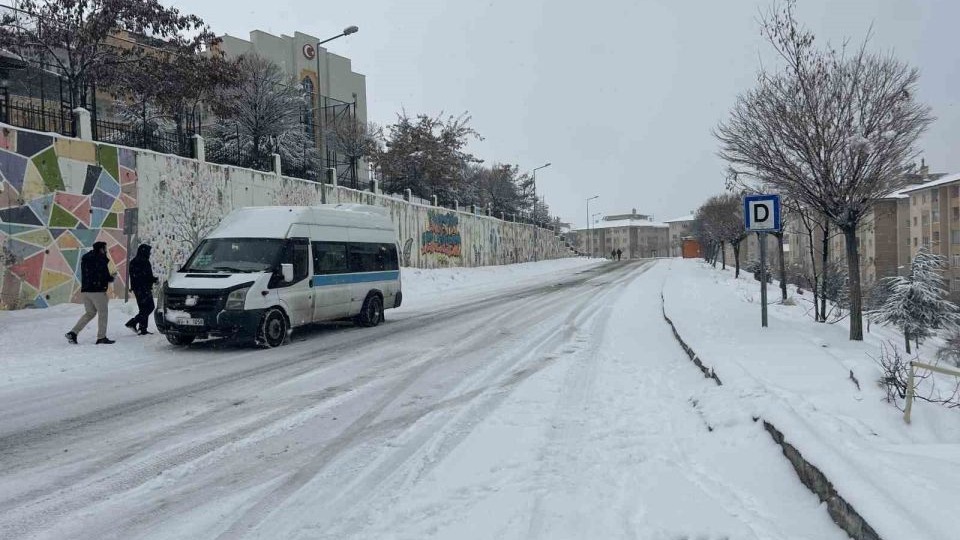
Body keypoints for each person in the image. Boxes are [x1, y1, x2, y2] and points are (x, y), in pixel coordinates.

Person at [66, 241, 115, 345]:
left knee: (90, 313)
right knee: (103, 313)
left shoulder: (86, 258)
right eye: (105, 248)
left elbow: (91, 274)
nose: (106, 250)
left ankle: (73, 332)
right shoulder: (100, 259)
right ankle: (101, 337)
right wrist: (111, 278)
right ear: (101, 249)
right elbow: (103, 275)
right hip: (97, 291)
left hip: (86, 290)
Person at [125, 243, 159, 335]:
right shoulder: (145, 262)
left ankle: (142, 329)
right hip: (144, 288)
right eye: (149, 252)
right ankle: (133, 322)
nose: (149, 254)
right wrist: (154, 279)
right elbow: (146, 276)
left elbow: (135, 277)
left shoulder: (133, 262)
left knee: (143, 308)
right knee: (150, 307)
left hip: (137, 289)